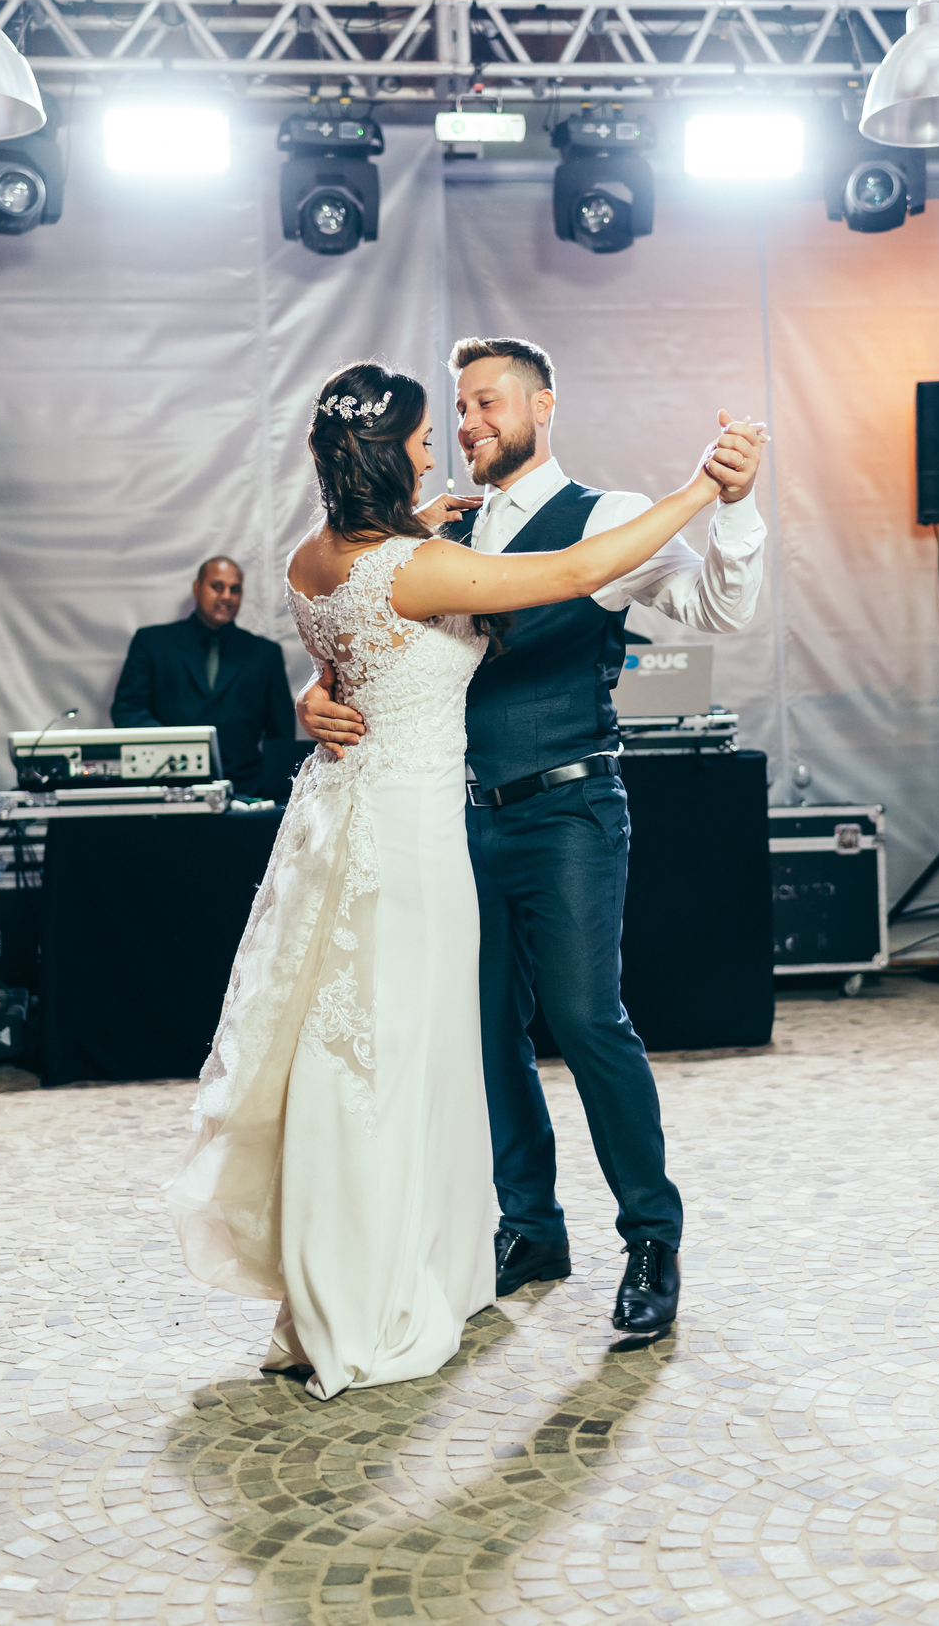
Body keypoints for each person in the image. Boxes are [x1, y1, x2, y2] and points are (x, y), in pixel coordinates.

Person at [168, 359, 751, 1400]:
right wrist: (316, 690)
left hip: (564, 805)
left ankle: (651, 1241)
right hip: (441, 820)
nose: (467, 427)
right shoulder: (431, 538)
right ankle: (525, 1229)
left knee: (584, 1019)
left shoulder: (595, 515)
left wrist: (723, 500)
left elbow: (705, 603)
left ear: (541, 406)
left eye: (487, 403)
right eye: (454, 410)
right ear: (394, 451)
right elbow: (368, 623)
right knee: (470, 1040)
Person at [112, 556, 296, 795]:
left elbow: (281, 733)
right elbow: (127, 710)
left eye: (235, 589)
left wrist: (273, 789)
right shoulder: (153, 643)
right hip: (165, 786)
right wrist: (174, 745)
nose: (226, 596)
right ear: (197, 588)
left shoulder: (265, 653)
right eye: (217, 586)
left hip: (245, 790)